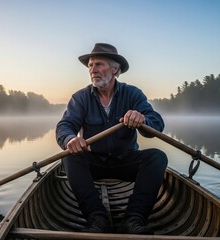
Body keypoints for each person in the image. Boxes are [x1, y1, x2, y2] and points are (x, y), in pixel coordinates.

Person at [56, 43, 168, 234]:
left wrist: (143, 120)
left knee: (157, 157)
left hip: (126, 161)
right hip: (94, 164)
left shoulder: (132, 94)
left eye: (98, 64)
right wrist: (70, 139)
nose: (93, 70)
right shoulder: (80, 98)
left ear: (115, 69)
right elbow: (64, 126)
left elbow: (156, 123)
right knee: (69, 157)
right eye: (90, 66)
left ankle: (134, 219)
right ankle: (96, 218)